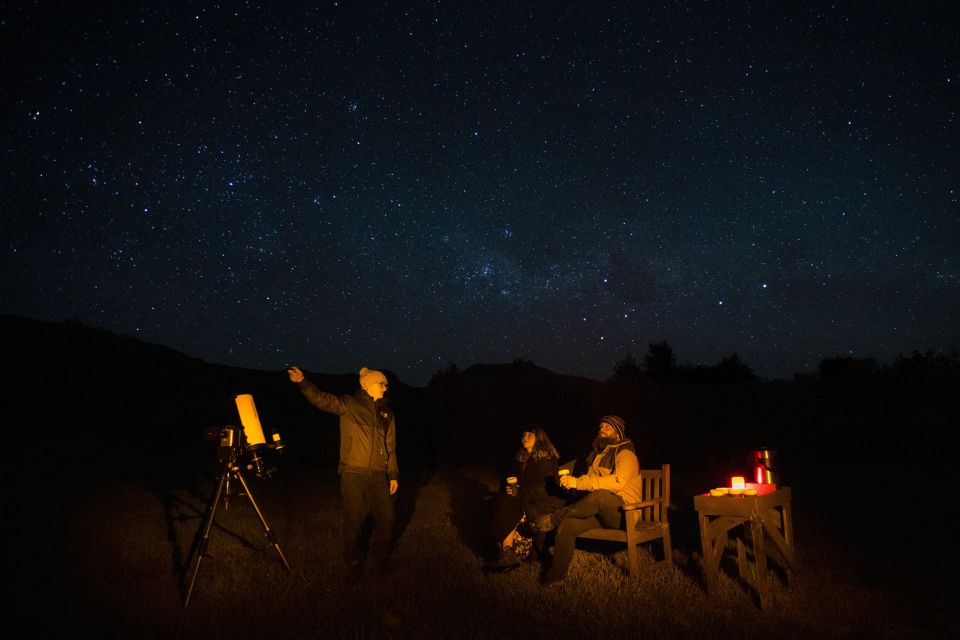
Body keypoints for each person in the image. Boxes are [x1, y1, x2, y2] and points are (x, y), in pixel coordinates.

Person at [287, 364, 399, 577]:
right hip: (353, 472)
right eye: (381, 383)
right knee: (353, 519)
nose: (385, 387)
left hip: (378, 474)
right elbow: (322, 400)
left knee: (387, 518)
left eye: (386, 384)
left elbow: (390, 446)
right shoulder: (350, 403)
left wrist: (393, 474)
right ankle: (353, 561)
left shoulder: (387, 414)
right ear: (367, 386)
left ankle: (381, 558)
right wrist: (303, 383)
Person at [540, 415, 641, 584]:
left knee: (600, 495)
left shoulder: (626, 453)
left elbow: (617, 482)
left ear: (619, 433)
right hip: (602, 513)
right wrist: (569, 482)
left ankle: (555, 517)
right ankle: (555, 577)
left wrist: (578, 482)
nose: (602, 429)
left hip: (625, 514)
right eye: (600, 427)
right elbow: (590, 483)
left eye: (607, 427)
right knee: (568, 525)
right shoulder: (598, 455)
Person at [486, 426, 568, 571]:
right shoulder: (520, 459)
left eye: (530, 434)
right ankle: (507, 552)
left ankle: (508, 552)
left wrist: (518, 491)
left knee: (507, 502)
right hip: (523, 500)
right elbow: (512, 479)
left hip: (541, 502)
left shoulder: (547, 459)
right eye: (524, 434)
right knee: (504, 500)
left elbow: (542, 488)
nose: (525, 437)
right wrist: (509, 487)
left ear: (539, 438)